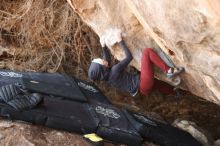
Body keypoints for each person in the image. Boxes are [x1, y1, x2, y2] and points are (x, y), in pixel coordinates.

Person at [88, 30, 183, 97]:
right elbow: (129, 57)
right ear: (103, 68)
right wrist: (120, 41)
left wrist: (103, 46)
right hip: (143, 83)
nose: (103, 59)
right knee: (147, 52)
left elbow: (106, 60)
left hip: (142, 89)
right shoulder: (114, 70)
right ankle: (168, 70)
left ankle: (174, 93)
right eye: (101, 61)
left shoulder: (106, 76)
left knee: (158, 84)